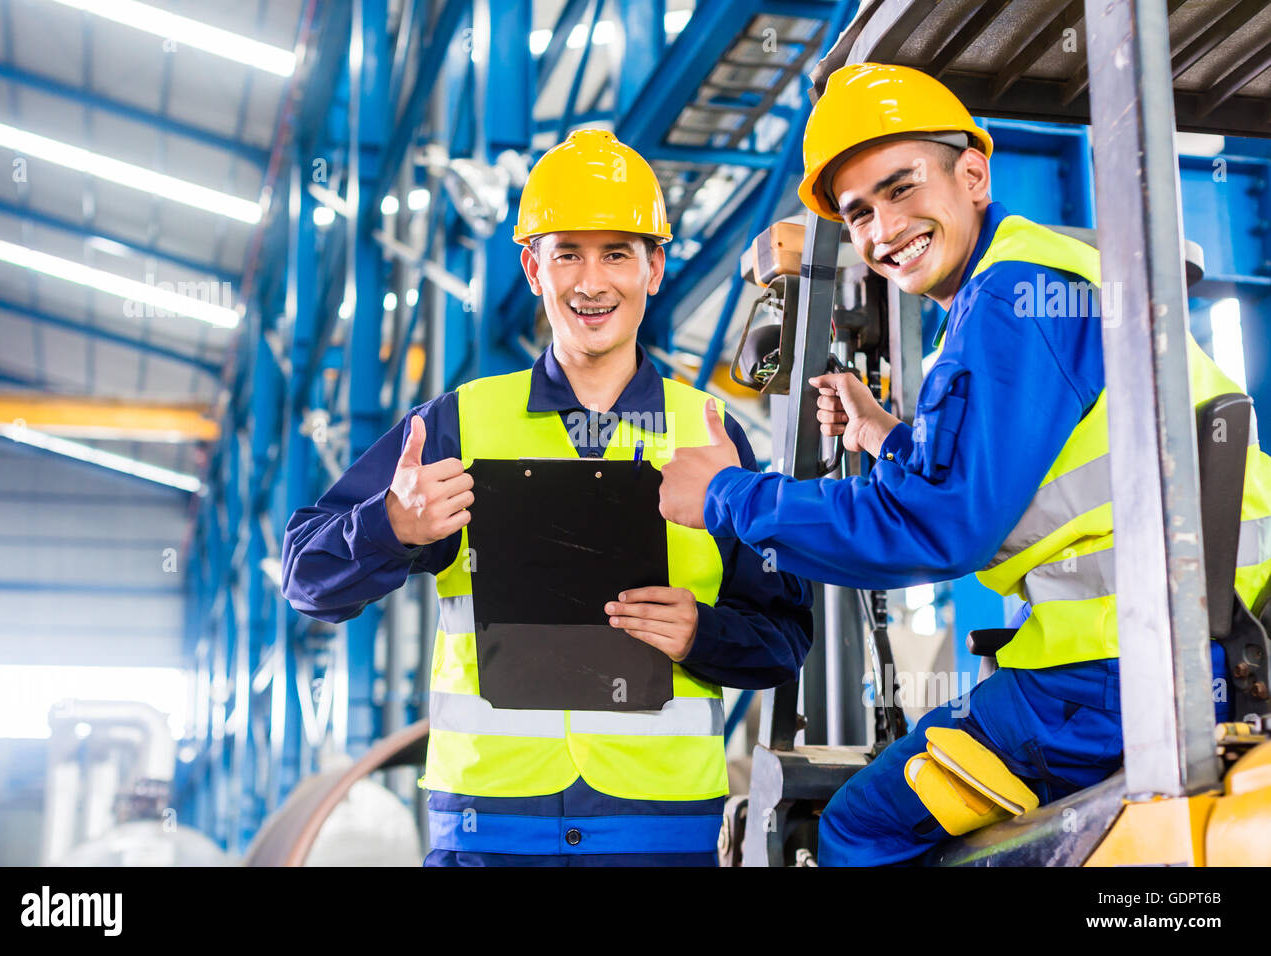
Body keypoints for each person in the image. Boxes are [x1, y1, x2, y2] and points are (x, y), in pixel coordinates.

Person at [657, 63, 1271, 865]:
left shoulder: (1014, 299)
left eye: (903, 188)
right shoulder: (1034, 282)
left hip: (1111, 678)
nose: (882, 231)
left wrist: (728, 496)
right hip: (1186, 649)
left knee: (855, 826)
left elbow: (936, 530)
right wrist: (886, 436)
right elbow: (981, 477)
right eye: (860, 213)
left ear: (973, 174)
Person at [282, 128, 813, 867]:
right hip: (489, 829)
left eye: (617, 253)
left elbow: (785, 638)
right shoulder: (457, 425)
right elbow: (305, 579)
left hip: (658, 832)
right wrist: (389, 524)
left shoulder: (710, 434)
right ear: (533, 268)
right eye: (568, 253)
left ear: (654, 267)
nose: (591, 283)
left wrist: (702, 634)